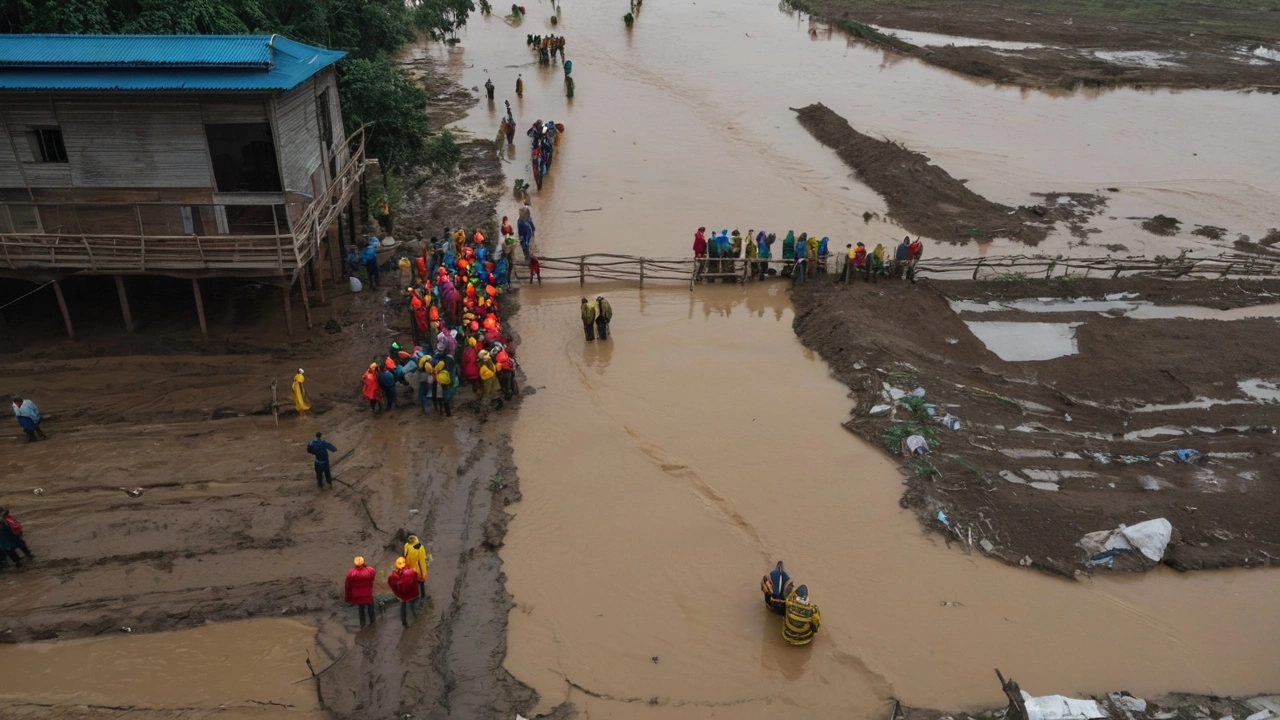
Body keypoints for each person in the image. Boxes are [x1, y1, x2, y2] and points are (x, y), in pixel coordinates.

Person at [345, 557, 377, 627]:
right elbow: (372, 578)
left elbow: (347, 585)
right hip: (367, 592)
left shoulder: (351, 572)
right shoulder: (370, 570)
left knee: (361, 608)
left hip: (357, 594)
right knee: (370, 606)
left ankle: (362, 623)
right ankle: (372, 621)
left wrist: (348, 597)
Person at [388, 557, 421, 627]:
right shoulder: (411, 572)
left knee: (406, 609)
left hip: (407, 596)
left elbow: (403, 587)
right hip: (413, 595)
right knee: (412, 609)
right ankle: (414, 622)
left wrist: (399, 595)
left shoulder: (404, 574)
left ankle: (407, 623)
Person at [404, 534, 430, 602]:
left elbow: (405, 557)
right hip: (418, 571)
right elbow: (422, 562)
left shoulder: (407, 545)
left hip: (410, 571)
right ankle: (422, 597)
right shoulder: (420, 548)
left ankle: (412, 597)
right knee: (421, 584)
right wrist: (424, 574)